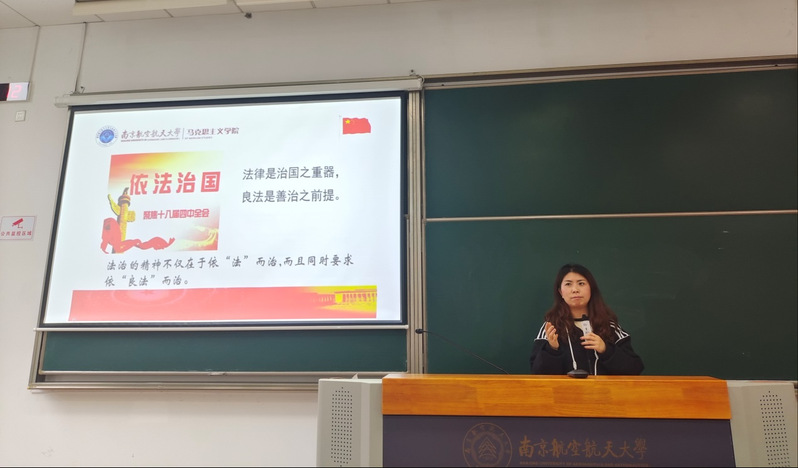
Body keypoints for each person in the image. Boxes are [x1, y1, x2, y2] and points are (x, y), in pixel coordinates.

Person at [529, 263, 644, 375]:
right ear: (560, 292)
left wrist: (606, 350)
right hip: (566, 389)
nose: (575, 289)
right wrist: (552, 349)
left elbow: (635, 368)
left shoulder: (609, 326)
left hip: (604, 388)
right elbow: (537, 373)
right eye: (568, 284)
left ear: (591, 289)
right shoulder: (551, 328)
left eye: (581, 283)